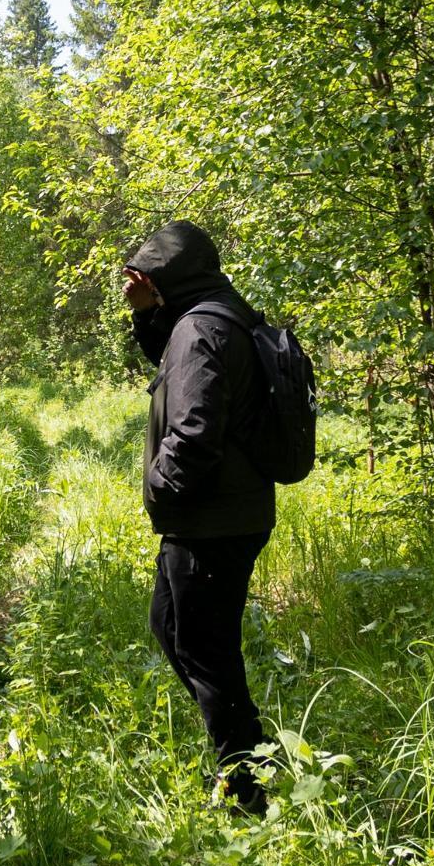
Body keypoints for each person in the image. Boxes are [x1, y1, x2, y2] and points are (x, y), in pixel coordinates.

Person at [121, 221, 281, 816]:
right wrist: (146, 311)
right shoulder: (225, 314)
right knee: (174, 629)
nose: (142, 285)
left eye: (150, 277)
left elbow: (191, 431)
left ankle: (247, 791)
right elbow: (171, 360)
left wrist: (160, 491)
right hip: (233, 510)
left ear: (173, 277)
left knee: (206, 651)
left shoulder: (200, 329)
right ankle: (253, 750)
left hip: (209, 519)